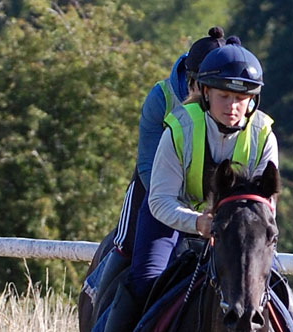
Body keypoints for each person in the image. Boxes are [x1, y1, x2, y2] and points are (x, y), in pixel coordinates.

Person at [80, 43, 293, 332]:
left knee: (272, 282)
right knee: (145, 277)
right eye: (224, 96)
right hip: (171, 216)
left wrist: (228, 227)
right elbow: (158, 201)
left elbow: (265, 204)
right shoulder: (180, 128)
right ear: (205, 93)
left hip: (231, 224)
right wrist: (198, 222)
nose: (233, 106)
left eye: (242, 97)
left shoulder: (263, 135)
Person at [92, 27, 229, 296]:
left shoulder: (232, 103)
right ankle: (99, 298)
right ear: (193, 84)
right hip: (156, 186)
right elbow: (148, 169)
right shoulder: (161, 98)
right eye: (212, 91)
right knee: (130, 244)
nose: (223, 101)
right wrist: (188, 215)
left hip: (214, 197)